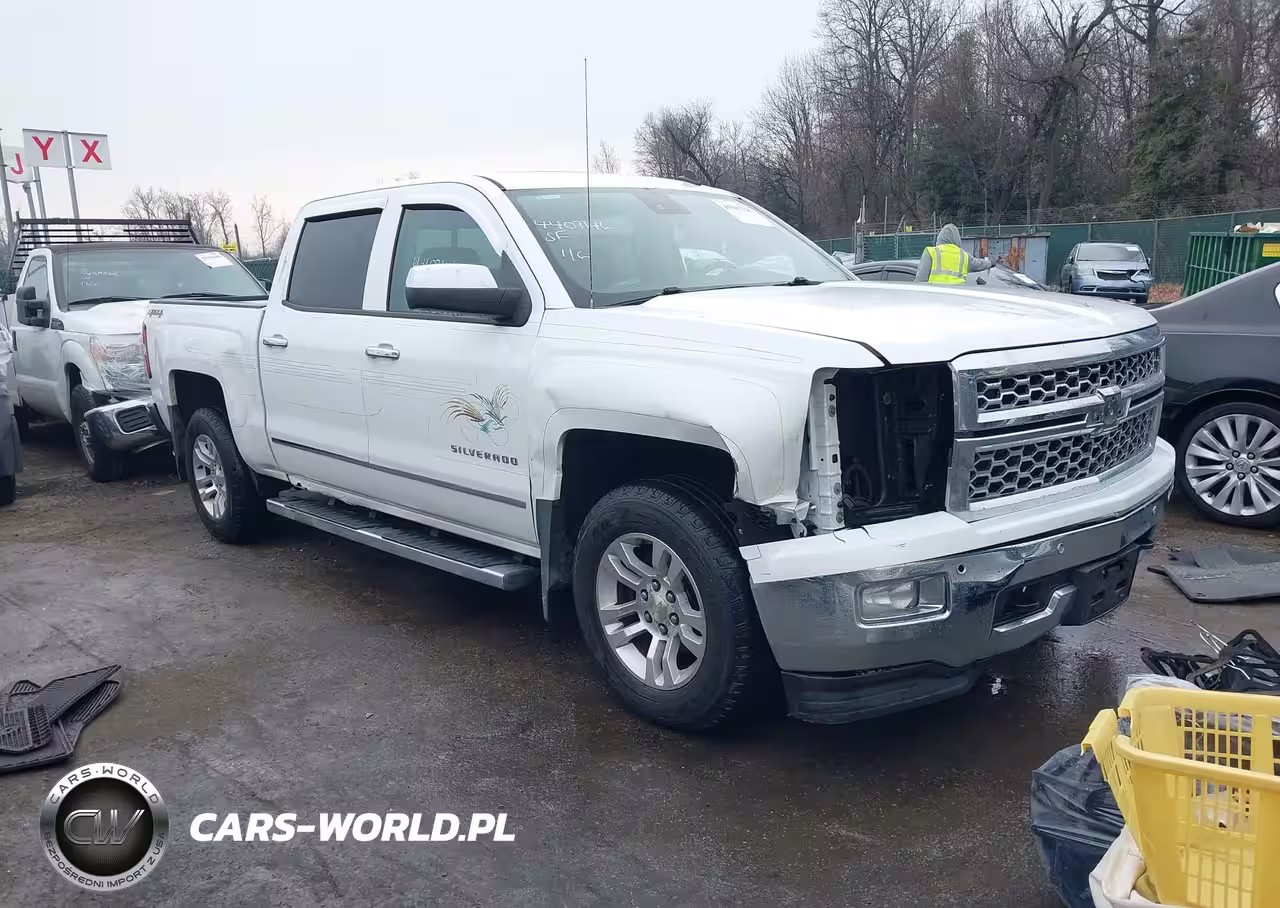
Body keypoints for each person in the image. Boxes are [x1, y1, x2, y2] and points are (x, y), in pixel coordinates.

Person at [914, 223, 994, 283]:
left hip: (935, 297)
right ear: (957, 239)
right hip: (957, 297)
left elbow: (921, 280)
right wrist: (990, 263)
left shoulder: (930, 252)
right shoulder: (964, 256)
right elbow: (979, 264)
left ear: (940, 238)